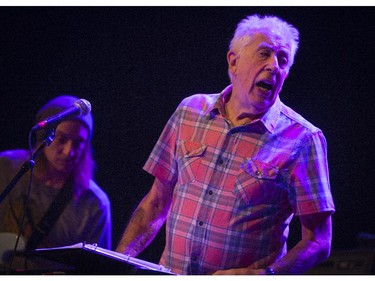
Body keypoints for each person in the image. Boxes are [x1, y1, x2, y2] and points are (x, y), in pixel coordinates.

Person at [116, 14, 335, 275]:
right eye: (264, 54)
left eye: (282, 59)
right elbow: (155, 204)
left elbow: (319, 241)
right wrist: (115, 263)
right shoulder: (190, 111)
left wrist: (266, 276)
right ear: (233, 61)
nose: (274, 66)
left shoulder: (302, 139)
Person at [0, 95, 112, 259]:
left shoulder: (95, 204)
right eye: (61, 139)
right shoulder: (5, 167)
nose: (69, 151)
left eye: (79, 142)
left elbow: (96, 269)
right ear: (44, 136)